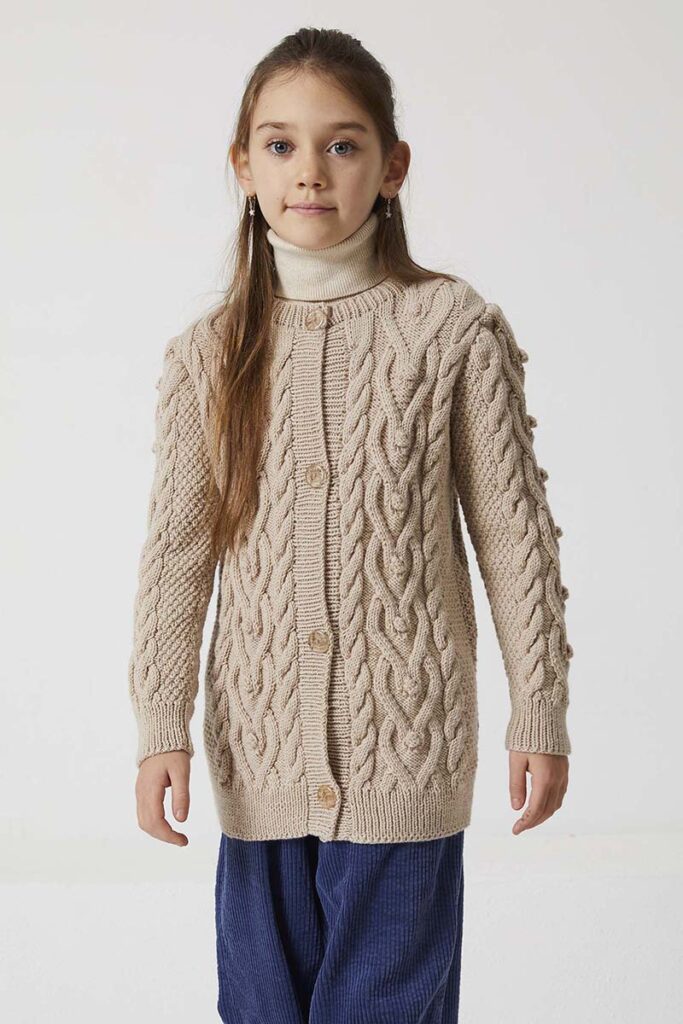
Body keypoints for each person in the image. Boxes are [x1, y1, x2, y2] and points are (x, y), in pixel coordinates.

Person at [127, 26, 572, 1024]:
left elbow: (514, 539)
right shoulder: (208, 353)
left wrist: (537, 710)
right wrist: (160, 727)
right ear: (243, 166)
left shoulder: (450, 330)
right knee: (261, 1009)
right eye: (280, 144)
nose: (310, 171)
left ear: (391, 166)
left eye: (342, 144)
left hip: (405, 752)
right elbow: (177, 556)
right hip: (257, 754)